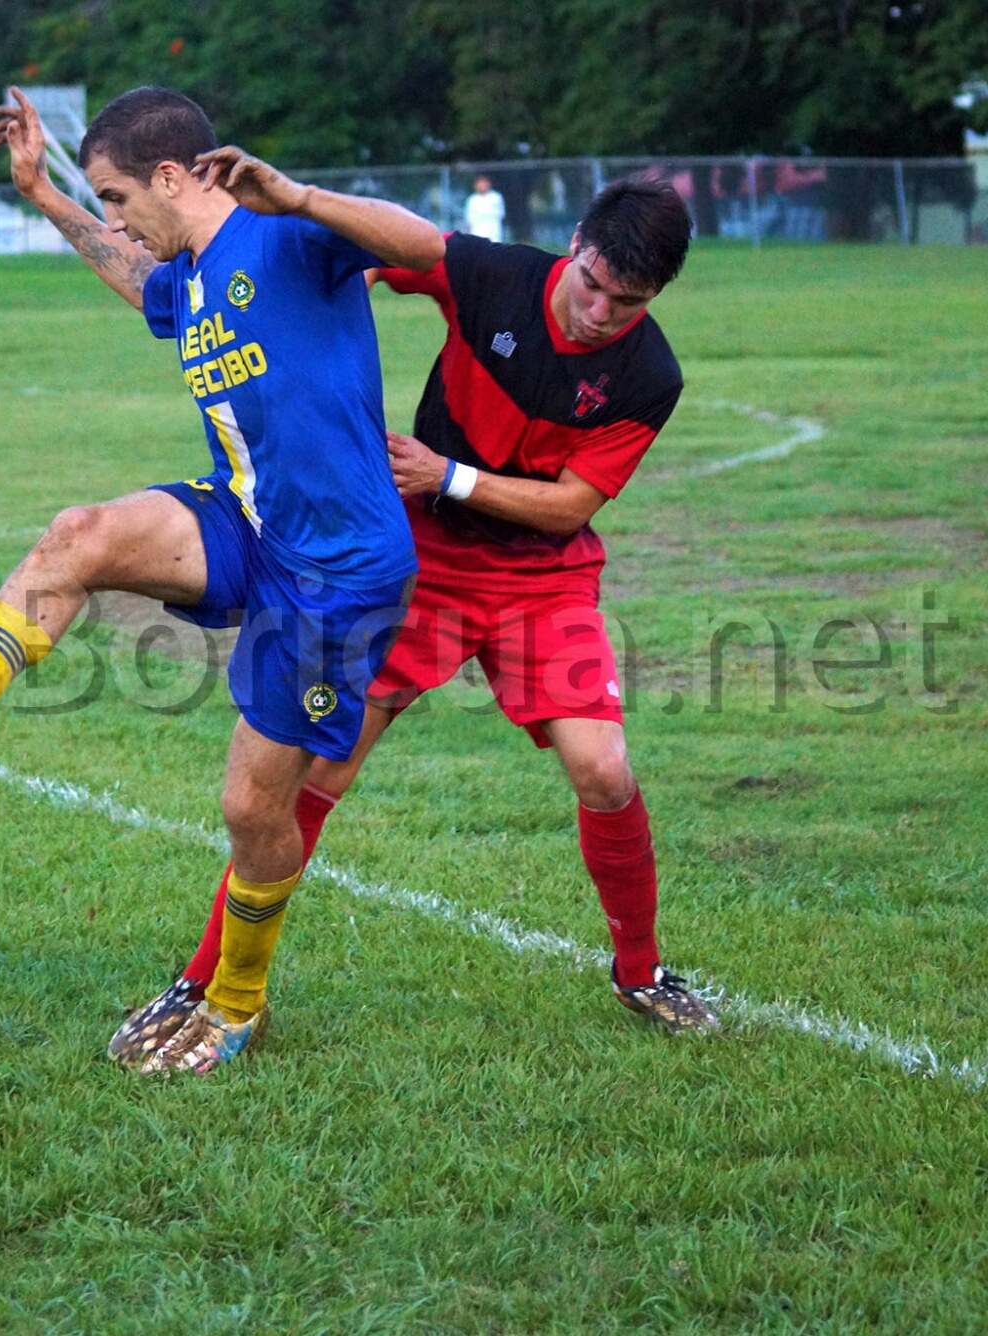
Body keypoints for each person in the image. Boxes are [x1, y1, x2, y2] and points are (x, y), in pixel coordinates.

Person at [0, 86, 443, 1076]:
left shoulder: (283, 237)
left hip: (337, 567)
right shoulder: (187, 272)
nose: (112, 216)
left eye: (115, 194)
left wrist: (303, 194)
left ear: (170, 174)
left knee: (252, 811)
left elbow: (425, 247)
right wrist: (41, 191)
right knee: (78, 537)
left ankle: (236, 1001)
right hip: (248, 519)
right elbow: (127, 268)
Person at [114, 178, 717, 1067]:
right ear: (577, 242)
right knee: (318, 769)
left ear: (655, 296)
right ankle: (208, 978)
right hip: (419, 567)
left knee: (604, 767)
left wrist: (450, 477)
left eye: (626, 302)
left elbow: (570, 507)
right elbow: (387, 250)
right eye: (591, 283)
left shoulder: (648, 375)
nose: (598, 312)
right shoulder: (492, 276)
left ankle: (640, 969)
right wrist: (300, 224)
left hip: (542, 584)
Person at [464, 173, 507, 242]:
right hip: (477, 235)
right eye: (480, 184)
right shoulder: (472, 200)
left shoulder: (496, 197)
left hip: (494, 235)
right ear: (475, 186)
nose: (482, 186)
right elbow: (469, 220)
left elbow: (501, 214)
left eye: (484, 183)